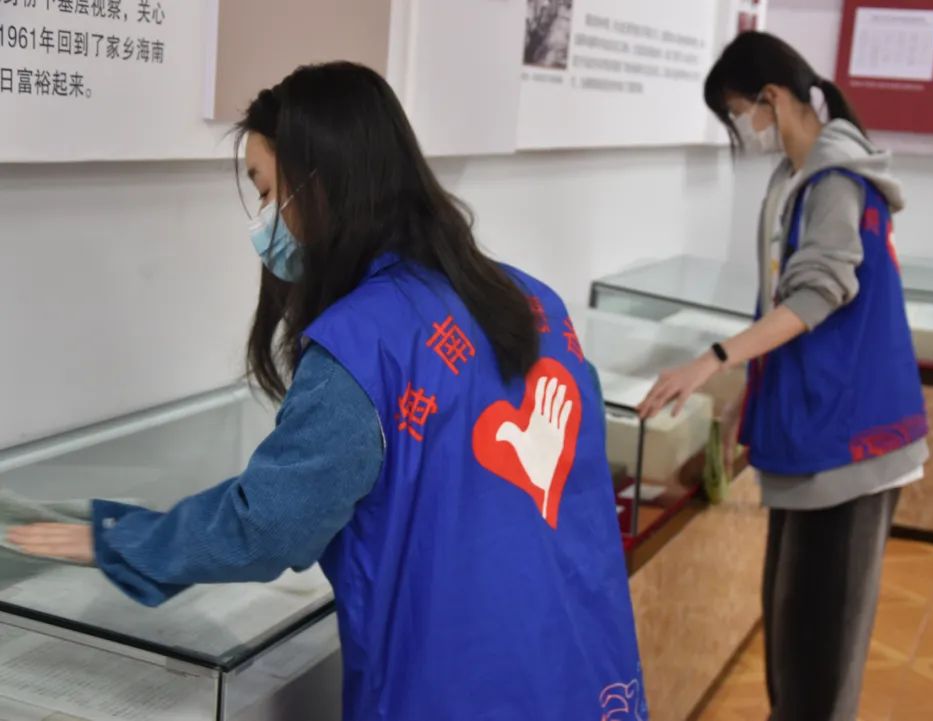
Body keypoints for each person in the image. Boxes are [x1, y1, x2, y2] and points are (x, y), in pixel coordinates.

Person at [10, 62, 647, 721]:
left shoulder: (364, 342)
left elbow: (267, 525)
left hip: (456, 689)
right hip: (582, 671)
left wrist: (122, 540)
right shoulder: (534, 302)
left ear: (316, 183)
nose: (264, 221)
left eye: (266, 191)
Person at [638, 32, 927, 721]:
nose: (741, 130)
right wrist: (748, 394)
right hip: (811, 430)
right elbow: (779, 305)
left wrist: (714, 358)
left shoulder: (836, 180)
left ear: (769, 98)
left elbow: (815, 296)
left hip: (850, 444)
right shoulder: (794, 181)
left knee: (819, 660)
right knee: (795, 641)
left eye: (739, 113)